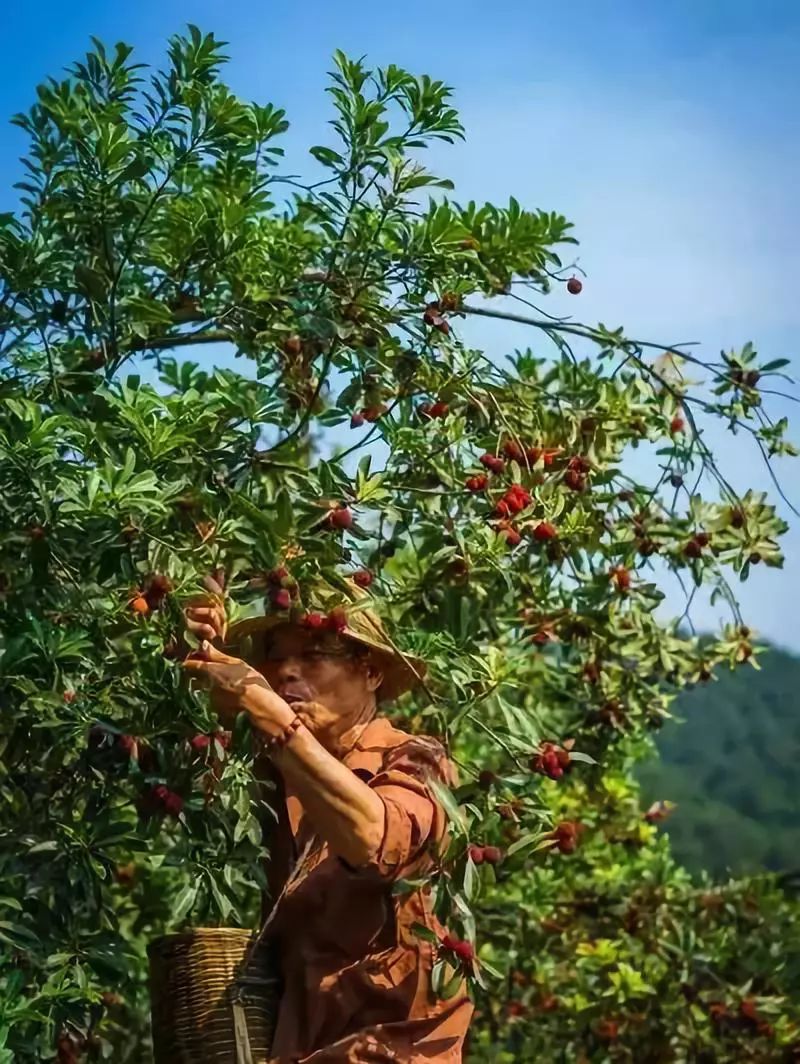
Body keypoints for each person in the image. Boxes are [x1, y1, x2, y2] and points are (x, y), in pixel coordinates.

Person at [182, 581, 473, 1063]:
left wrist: (272, 718)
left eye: (313, 656)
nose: (286, 672)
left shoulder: (419, 760)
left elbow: (380, 840)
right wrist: (194, 645)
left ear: (372, 672)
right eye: (275, 658)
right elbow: (181, 764)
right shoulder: (274, 774)